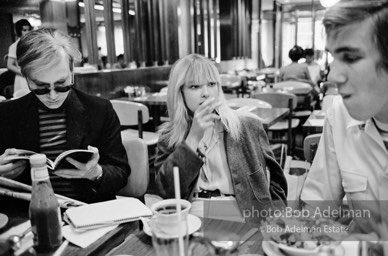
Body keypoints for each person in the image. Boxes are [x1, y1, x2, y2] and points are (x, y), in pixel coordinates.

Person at [0, 28, 131, 203]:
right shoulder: (8, 113)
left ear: (72, 72)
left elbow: (121, 173)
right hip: (30, 213)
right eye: (41, 86)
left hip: (87, 210)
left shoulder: (99, 110)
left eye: (61, 84)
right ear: (26, 77)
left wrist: (95, 173)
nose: (53, 96)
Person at [154, 54, 287, 223]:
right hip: (193, 214)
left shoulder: (246, 125)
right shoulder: (170, 135)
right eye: (194, 86)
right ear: (180, 92)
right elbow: (166, 192)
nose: (206, 93)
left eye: (211, 84)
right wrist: (193, 138)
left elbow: (277, 181)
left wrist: (275, 218)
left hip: (242, 213)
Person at [301, 0, 388, 236]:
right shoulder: (339, 115)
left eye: (349, 57)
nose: (333, 76)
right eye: (333, 58)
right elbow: (317, 207)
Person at [7, 19, 32, 96]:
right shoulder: (14, 46)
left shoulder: (32, 44)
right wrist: (24, 74)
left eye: (29, 30)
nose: (27, 32)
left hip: (33, 76)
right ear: (19, 31)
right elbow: (9, 65)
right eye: (24, 30)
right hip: (22, 78)